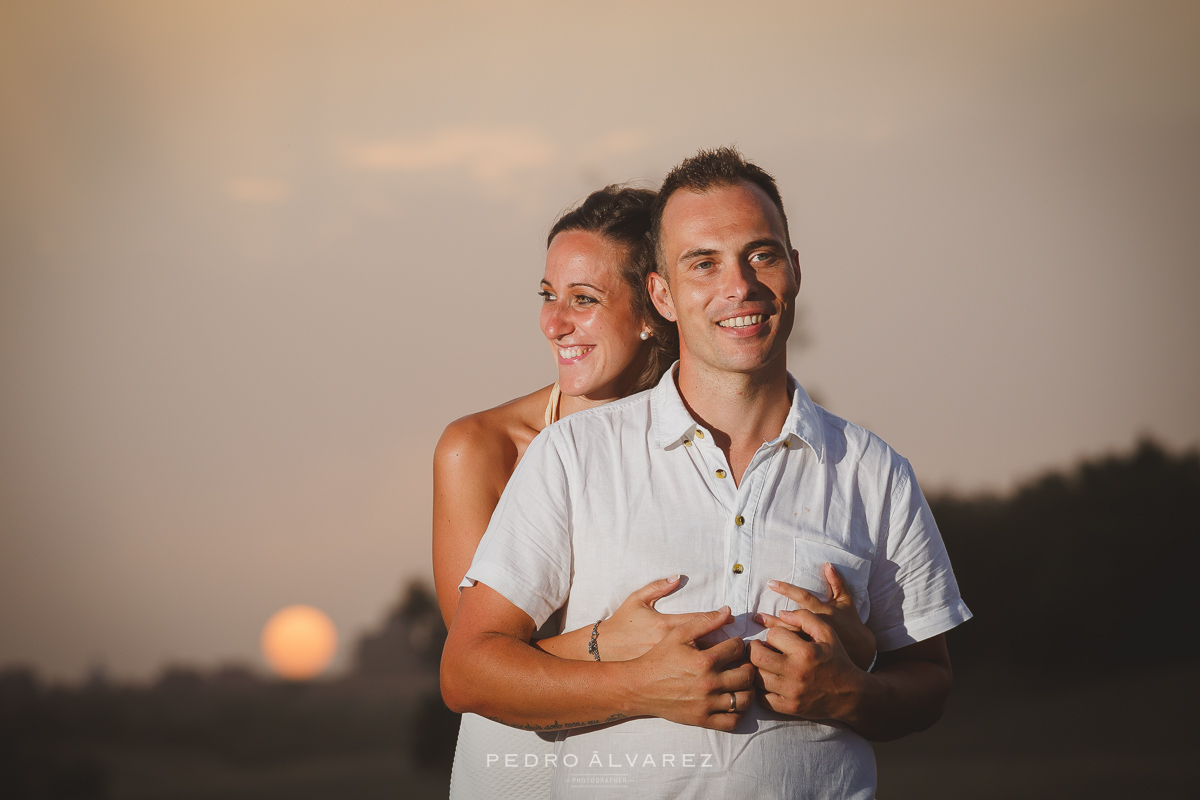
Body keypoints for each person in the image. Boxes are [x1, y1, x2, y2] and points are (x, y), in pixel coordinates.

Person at [441, 148, 972, 798]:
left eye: (762, 254)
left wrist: (851, 694)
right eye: (703, 263)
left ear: (795, 270)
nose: (739, 285)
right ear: (661, 294)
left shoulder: (874, 471)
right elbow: (468, 671)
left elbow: (928, 677)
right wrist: (636, 681)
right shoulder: (570, 456)